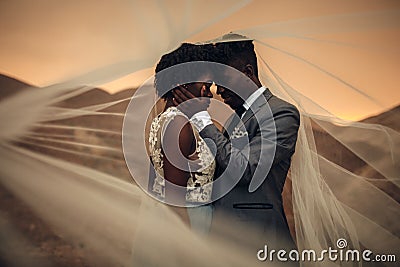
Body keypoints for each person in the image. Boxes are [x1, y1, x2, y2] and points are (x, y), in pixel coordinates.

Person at [172, 36, 300, 254]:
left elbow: (246, 169)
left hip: (261, 242)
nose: (218, 90)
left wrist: (201, 118)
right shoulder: (234, 118)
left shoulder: (282, 113)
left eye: (223, 80)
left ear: (248, 72)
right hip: (224, 241)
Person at [148, 43, 216, 235]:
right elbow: (175, 200)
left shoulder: (161, 120)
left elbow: (153, 184)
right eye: (206, 85)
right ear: (182, 83)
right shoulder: (179, 125)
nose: (210, 93)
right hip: (189, 223)